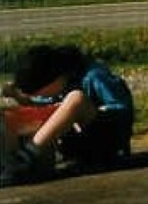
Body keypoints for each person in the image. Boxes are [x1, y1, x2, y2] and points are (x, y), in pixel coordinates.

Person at [2, 44, 135, 184]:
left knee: (76, 99)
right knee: (13, 115)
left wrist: (82, 114)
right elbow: (39, 102)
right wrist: (18, 97)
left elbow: (122, 109)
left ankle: (25, 157)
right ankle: (12, 166)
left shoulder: (94, 76)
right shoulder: (59, 87)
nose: (40, 96)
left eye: (39, 92)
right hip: (77, 144)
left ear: (54, 79)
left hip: (108, 138)